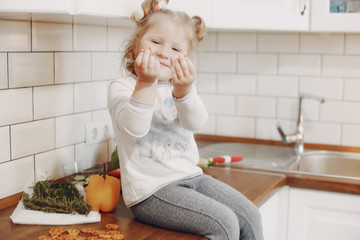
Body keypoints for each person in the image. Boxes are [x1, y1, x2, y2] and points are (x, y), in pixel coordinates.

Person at [107, 0, 264, 239]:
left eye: (176, 49)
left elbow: (196, 123)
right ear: (137, 43)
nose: (163, 52)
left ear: (186, 58)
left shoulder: (178, 87)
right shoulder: (123, 88)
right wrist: (146, 81)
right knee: (224, 224)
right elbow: (135, 128)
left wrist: (185, 91)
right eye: (156, 42)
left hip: (191, 177)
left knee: (251, 216)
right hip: (151, 193)